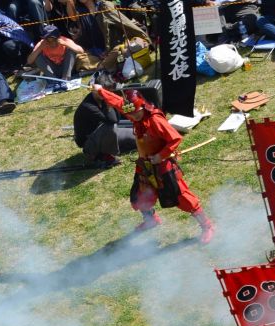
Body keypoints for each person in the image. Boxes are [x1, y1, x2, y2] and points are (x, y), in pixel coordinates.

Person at [90, 85, 216, 244]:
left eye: (136, 113)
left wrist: (160, 156)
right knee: (140, 196)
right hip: (145, 165)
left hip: (163, 166)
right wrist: (101, 90)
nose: (133, 117)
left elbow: (175, 138)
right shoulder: (132, 111)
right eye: (130, 114)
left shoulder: (155, 120)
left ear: (142, 106)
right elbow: (118, 102)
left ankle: (207, 226)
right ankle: (151, 220)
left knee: (182, 197)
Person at [73, 74, 137, 163]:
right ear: (95, 91)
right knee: (110, 126)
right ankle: (100, 155)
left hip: (105, 134)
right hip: (90, 143)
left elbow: (117, 119)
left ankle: (112, 148)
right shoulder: (88, 106)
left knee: (138, 136)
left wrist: (112, 101)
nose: (107, 95)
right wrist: (109, 103)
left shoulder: (102, 99)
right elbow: (112, 121)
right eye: (105, 92)